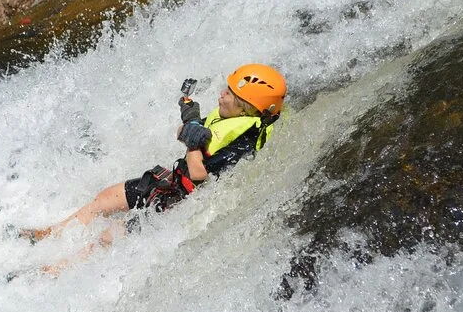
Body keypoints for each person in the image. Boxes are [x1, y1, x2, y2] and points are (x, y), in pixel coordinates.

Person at [16, 63, 286, 277]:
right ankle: (50, 233)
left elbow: (199, 174)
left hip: (178, 202)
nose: (221, 93)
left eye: (230, 94)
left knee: (107, 239)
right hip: (169, 181)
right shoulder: (228, 117)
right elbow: (181, 133)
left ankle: (51, 273)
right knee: (103, 198)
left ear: (245, 108)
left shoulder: (242, 144)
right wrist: (190, 122)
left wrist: (193, 138)